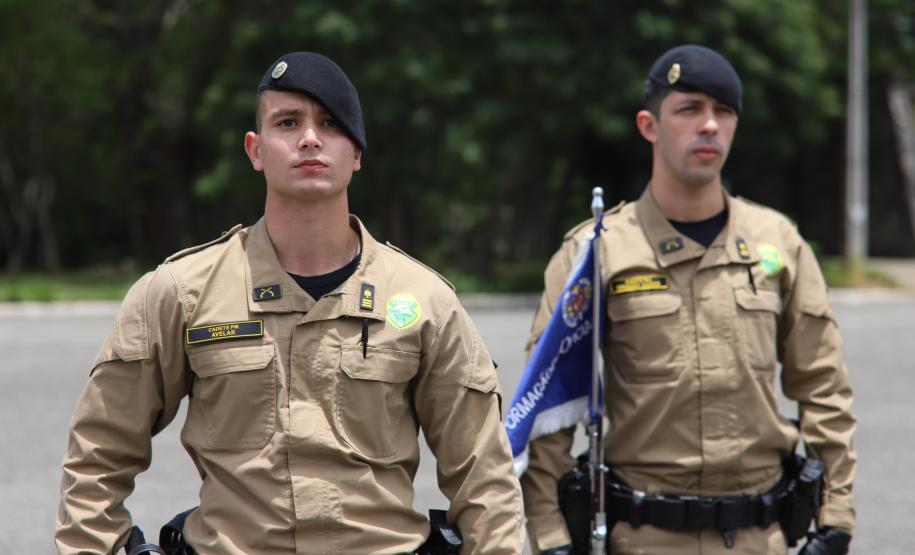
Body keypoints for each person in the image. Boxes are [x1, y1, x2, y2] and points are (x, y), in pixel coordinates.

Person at [55, 51, 524, 554]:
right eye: (288, 122)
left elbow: (485, 484)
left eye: (330, 123)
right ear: (255, 150)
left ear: (357, 152)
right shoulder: (182, 293)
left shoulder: (424, 302)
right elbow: (97, 459)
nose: (309, 138)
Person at [520, 45, 857, 555]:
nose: (709, 126)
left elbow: (824, 388)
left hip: (759, 537)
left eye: (723, 112)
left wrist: (836, 515)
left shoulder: (779, 243)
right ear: (650, 125)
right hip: (642, 536)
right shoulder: (598, 251)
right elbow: (549, 407)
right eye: (689, 109)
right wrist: (549, 535)